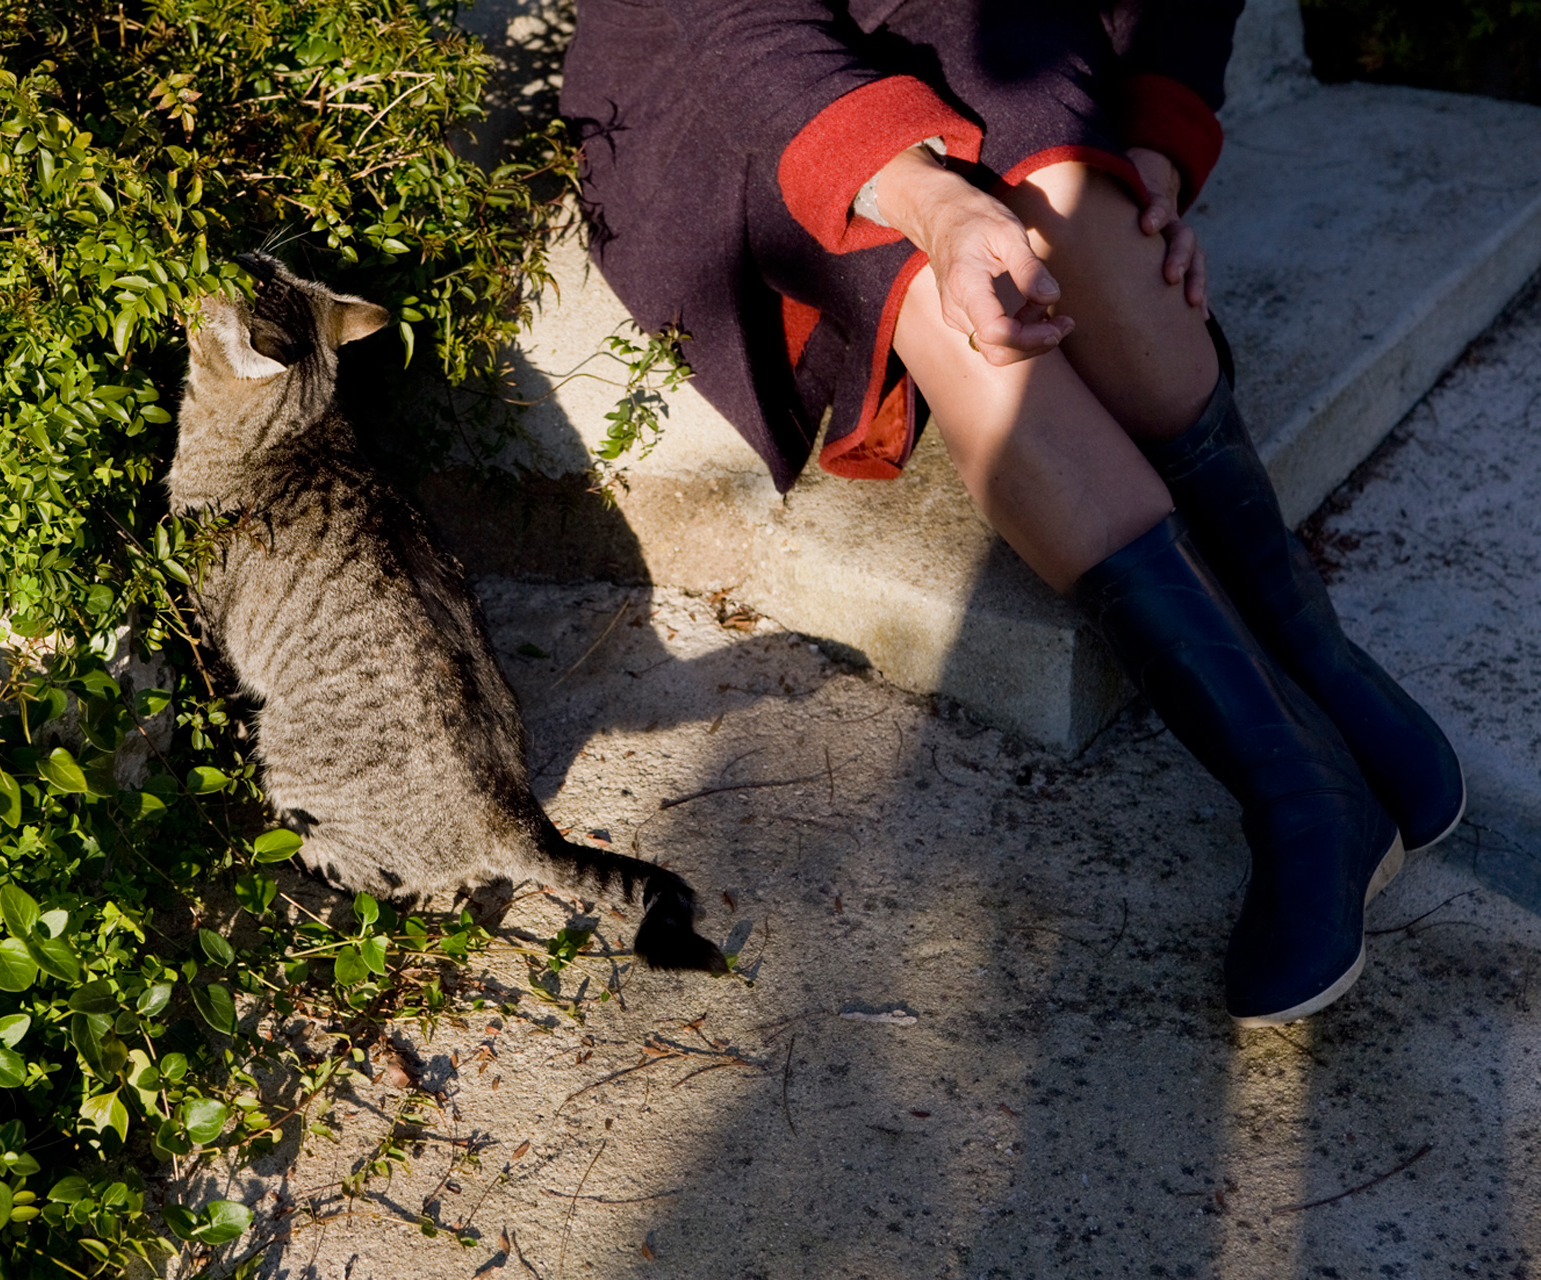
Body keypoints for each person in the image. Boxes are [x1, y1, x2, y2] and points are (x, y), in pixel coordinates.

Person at [559, 0, 1466, 1025]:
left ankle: (1316, 661)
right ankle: (1298, 783)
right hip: (725, 73)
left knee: (1075, 188)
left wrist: (1154, 153)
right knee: (942, 298)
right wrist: (930, 200)